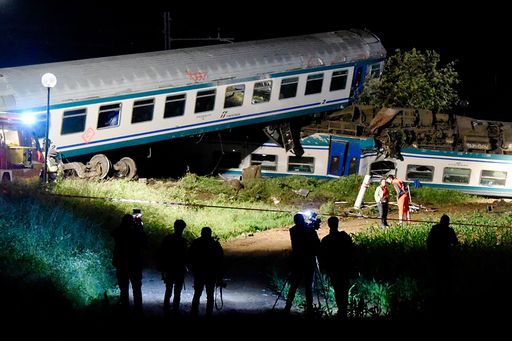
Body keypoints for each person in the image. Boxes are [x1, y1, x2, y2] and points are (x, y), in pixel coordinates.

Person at [284, 213, 320, 316]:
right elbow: (316, 243)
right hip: (307, 260)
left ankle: (288, 306)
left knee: (294, 284)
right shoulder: (307, 230)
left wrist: (312, 226)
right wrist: (313, 227)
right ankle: (309, 309)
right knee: (308, 285)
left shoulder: (294, 230)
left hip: (298, 261)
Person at [319, 216, 355, 319]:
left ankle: (341, 310)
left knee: (338, 290)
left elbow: (322, 256)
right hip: (344, 267)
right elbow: (352, 251)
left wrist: (324, 268)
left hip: (334, 269)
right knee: (344, 290)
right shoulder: (344, 237)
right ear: (337, 224)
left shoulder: (326, 240)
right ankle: (343, 310)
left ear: (329, 225)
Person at [111, 213, 147, 314]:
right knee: (136, 289)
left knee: (124, 289)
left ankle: (125, 310)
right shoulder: (136, 231)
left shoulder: (119, 231)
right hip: (134, 264)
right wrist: (139, 227)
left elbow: (114, 234)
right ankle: (138, 311)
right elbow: (145, 243)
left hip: (122, 264)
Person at [426, 214, 459, 315]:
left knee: (437, 275)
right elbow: (455, 242)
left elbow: (428, 242)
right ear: (448, 222)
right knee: (445, 275)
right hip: (445, 255)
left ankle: (436, 293)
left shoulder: (435, 229)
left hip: (435, 256)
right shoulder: (449, 231)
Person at [188, 227, 224, 317]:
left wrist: (193, 269)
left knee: (197, 294)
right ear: (210, 233)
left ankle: (194, 313)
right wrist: (219, 276)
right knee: (210, 295)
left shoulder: (196, 243)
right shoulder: (215, 244)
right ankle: (208, 314)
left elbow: (190, 257)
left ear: (201, 233)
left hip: (199, 272)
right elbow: (220, 261)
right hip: (211, 273)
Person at [157, 219, 188, 314]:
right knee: (177, 291)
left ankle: (167, 308)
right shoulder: (183, 241)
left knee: (169, 289)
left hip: (170, 268)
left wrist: (162, 269)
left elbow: (161, 254)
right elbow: (185, 256)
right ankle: (175, 309)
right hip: (178, 268)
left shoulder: (168, 238)